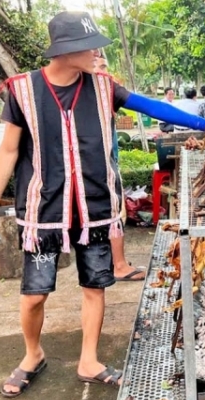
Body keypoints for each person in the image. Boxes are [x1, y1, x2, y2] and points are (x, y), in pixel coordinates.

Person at [0, 11, 205, 398]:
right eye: (88, 47)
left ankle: (89, 360)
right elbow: (8, 151)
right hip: (44, 210)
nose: (96, 54)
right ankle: (32, 354)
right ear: (65, 51)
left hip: (95, 208)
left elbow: (152, 106)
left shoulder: (104, 87)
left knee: (95, 286)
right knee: (34, 293)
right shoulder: (22, 90)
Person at [93, 51, 146, 282]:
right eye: (99, 66)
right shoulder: (95, 90)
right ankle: (120, 265)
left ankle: (111, 262)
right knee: (115, 210)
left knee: (113, 209)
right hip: (101, 162)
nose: (105, 72)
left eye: (105, 67)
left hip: (108, 153)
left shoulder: (106, 89)